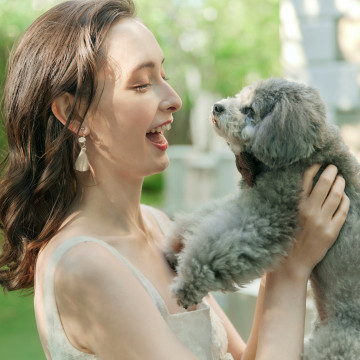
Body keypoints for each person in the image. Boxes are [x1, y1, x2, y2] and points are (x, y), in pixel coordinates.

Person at [0, 0, 350, 359]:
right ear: (72, 114)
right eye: (140, 84)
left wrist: (277, 241)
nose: (174, 99)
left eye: (163, 77)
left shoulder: (158, 226)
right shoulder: (85, 266)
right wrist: (291, 268)